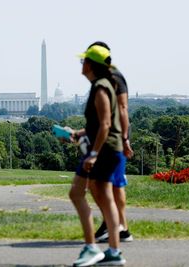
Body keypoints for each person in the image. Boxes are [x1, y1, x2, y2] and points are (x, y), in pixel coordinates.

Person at [69, 44, 126, 266]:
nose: (81, 65)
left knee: (77, 193)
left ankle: (93, 247)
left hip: (103, 150)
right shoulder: (102, 84)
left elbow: (105, 124)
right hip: (108, 149)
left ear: (91, 64)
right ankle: (113, 251)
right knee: (104, 197)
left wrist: (93, 153)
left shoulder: (101, 88)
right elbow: (98, 125)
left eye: (83, 61)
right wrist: (79, 133)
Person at [90, 42, 134, 243]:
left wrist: (125, 139)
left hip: (114, 138)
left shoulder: (113, 78)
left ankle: (115, 226)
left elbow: (123, 108)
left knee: (109, 185)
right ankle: (119, 227)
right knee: (112, 185)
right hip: (112, 136)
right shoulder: (106, 78)